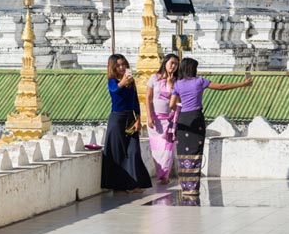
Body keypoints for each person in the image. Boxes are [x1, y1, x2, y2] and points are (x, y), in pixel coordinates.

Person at [169, 58, 252, 198]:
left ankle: (185, 188)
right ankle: (193, 188)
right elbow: (222, 87)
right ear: (193, 69)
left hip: (183, 120)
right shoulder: (200, 81)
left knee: (183, 154)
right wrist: (243, 84)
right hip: (196, 118)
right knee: (195, 153)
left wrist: (183, 102)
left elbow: (172, 105)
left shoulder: (177, 84)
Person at [101, 54, 152, 193]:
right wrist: (122, 82)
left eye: (123, 64)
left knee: (133, 151)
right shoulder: (112, 81)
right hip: (117, 119)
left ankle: (135, 183)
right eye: (118, 65)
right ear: (113, 67)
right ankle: (117, 186)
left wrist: (138, 118)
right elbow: (114, 90)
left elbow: (135, 100)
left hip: (130, 118)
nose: (122, 67)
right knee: (117, 153)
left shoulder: (131, 81)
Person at [146, 53, 179, 184]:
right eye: (172, 63)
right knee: (157, 150)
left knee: (168, 150)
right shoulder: (154, 78)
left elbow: (176, 101)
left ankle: (164, 176)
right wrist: (149, 116)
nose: (174, 66)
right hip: (155, 119)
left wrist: (171, 84)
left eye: (176, 64)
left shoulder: (177, 81)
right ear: (165, 63)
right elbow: (148, 99)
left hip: (169, 121)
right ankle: (160, 174)